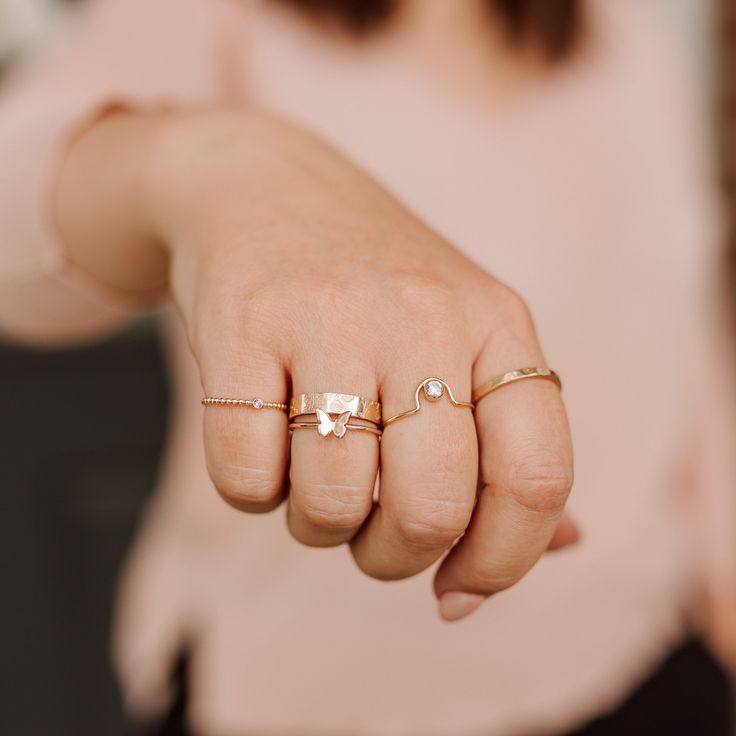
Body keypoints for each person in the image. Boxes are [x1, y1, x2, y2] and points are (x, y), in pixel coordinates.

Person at [0, 0, 733, 733]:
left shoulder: (623, 36)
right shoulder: (209, 14)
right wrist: (219, 164)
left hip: (634, 653)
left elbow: (694, 364)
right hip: (309, 692)